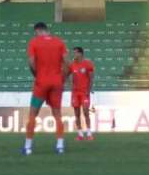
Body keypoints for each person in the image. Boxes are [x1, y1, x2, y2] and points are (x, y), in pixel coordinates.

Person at [23, 21, 70, 155]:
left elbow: (31, 62)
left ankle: (28, 147)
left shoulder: (34, 42)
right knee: (57, 114)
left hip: (41, 83)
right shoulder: (59, 42)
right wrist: (62, 78)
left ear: (37, 31)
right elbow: (68, 63)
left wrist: (36, 75)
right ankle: (60, 146)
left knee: (33, 114)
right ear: (46, 30)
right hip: (56, 83)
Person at [70, 47, 95, 141]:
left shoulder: (87, 64)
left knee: (85, 111)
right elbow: (69, 75)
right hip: (75, 93)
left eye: (76, 53)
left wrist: (89, 89)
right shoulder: (72, 64)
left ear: (81, 54)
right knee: (76, 114)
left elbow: (91, 78)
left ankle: (89, 133)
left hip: (84, 92)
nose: (74, 55)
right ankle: (80, 134)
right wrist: (70, 85)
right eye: (74, 53)